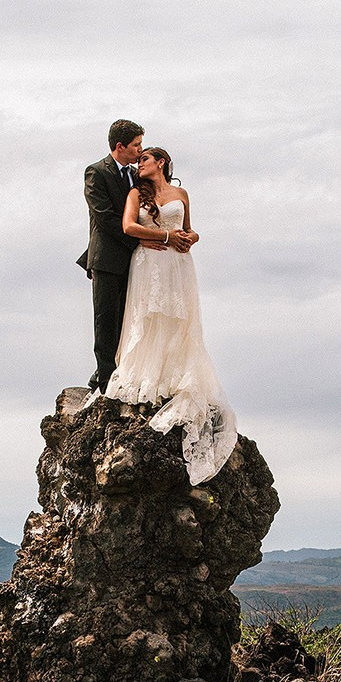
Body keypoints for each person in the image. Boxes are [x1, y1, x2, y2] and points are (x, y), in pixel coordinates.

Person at [104, 146, 236, 484]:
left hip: (178, 264)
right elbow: (129, 226)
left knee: (180, 320)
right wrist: (163, 235)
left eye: (144, 159)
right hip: (150, 264)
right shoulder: (136, 192)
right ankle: (151, 375)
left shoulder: (181, 193)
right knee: (148, 318)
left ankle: (174, 373)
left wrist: (190, 238)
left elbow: (190, 230)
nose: (139, 164)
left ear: (160, 162)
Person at [77, 119, 157, 395]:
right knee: (106, 319)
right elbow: (106, 218)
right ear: (120, 146)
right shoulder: (96, 173)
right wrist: (139, 239)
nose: (140, 150)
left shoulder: (138, 175)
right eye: (136, 145)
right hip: (107, 259)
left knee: (128, 319)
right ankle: (105, 383)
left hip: (136, 259)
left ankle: (112, 372)